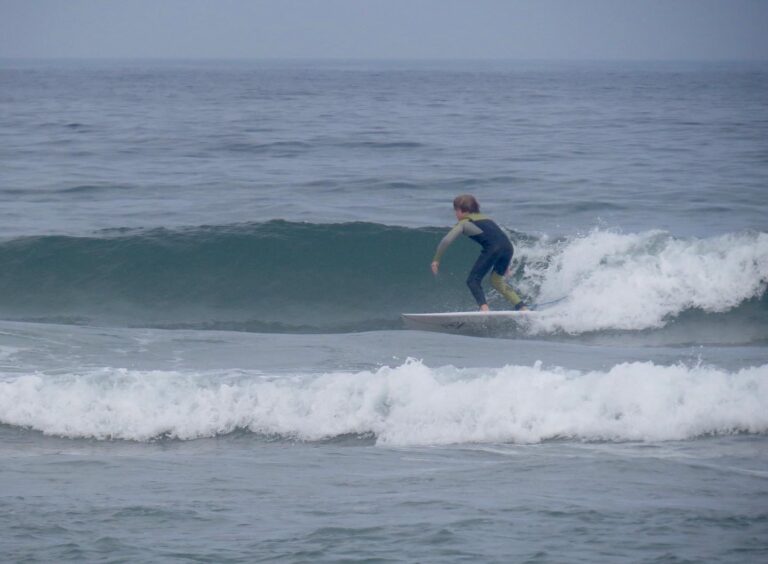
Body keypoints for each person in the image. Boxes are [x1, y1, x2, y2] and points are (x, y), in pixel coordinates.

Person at [431, 194, 527, 311]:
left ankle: (484, 308)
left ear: (460, 210)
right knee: (497, 281)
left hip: (493, 248)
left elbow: (446, 240)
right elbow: (500, 238)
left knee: (473, 281)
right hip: (508, 248)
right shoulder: (487, 218)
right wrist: (505, 262)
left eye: (455, 211)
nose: (455, 215)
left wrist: (436, 260)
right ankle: (522, 307)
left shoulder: (464, 223)